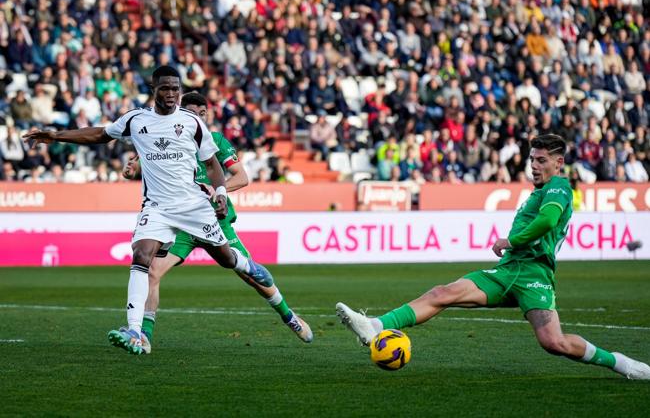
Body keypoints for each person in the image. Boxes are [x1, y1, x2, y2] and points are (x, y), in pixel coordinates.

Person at [336, 134, 650, 380]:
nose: (534, 166)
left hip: (533, 276)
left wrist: (510, 239)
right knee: (442, 293)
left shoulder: (558, 188)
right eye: (532, 159)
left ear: (558, 163)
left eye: (541, 160)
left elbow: (548, 221)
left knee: (555, 343)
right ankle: (375, 325)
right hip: (507, 271)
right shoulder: (539, 191)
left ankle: (622, 363)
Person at [23, 66, 275, 355]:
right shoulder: (136, 119)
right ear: (153, 88)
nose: (171, 94)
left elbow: (211, 164)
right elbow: (100, 135)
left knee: (226, 258)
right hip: (156, 207)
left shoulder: (192, 123)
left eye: (175, 89)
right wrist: (56, 136)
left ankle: (247, 265)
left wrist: (219, 193)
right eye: (165, 88)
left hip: (193, 206)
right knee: (141, 256)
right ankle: (134, 330)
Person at [122, 92, 312, 350]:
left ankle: (289, 316)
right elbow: (147, 167)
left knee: (250, 276)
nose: (197, 118)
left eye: (202, 114)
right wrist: (133, 170)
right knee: (153, 272)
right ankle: (144, 336)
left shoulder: (216, 141)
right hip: (180, 222)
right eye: (192, 113)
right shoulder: (165, 137)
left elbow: (241, 177)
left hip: (213, 220)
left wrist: (216, 191)